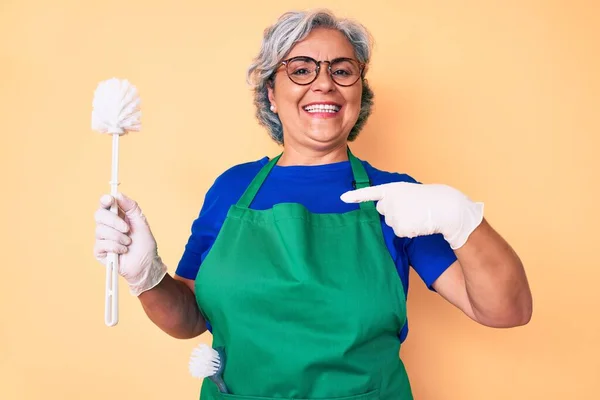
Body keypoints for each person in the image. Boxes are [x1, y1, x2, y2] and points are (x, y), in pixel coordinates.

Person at [93, 9, 532, 400]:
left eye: (343, 70)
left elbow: (504, 310)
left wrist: (461, 219)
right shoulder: (232, 188)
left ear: (358, 92)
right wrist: (146, 276)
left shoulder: (398, 198)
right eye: (301, 69)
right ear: (270, 93)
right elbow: (190, 318)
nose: (325, 82)